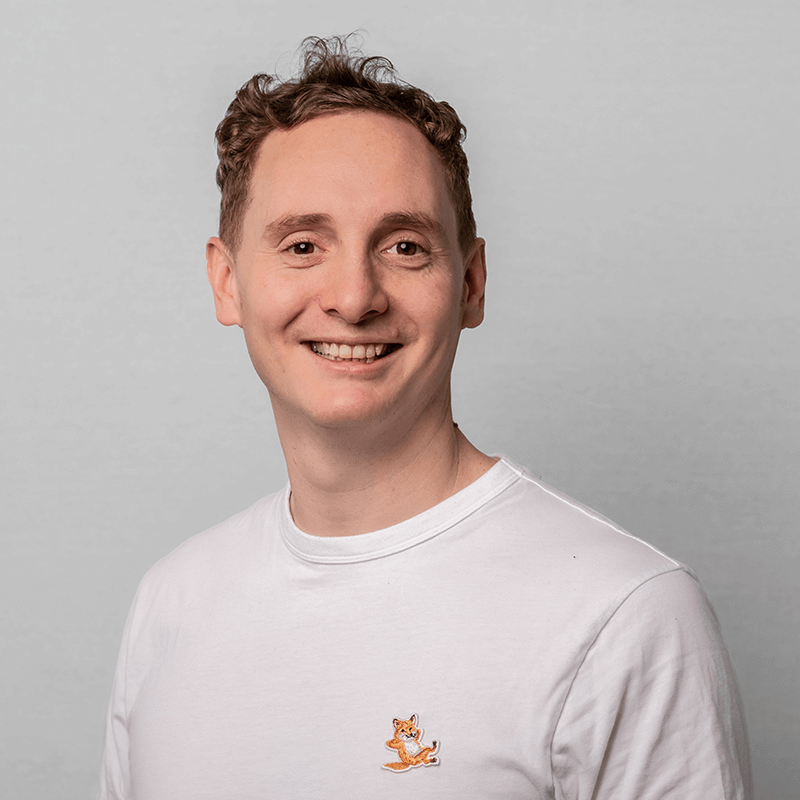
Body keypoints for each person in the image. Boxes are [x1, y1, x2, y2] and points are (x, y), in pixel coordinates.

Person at [98, 36, 752, 799]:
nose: (354, 297)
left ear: (470, 284)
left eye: (404, 246)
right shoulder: (170, 605)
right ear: (227, 282)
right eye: (303, 245)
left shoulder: (625, 616)